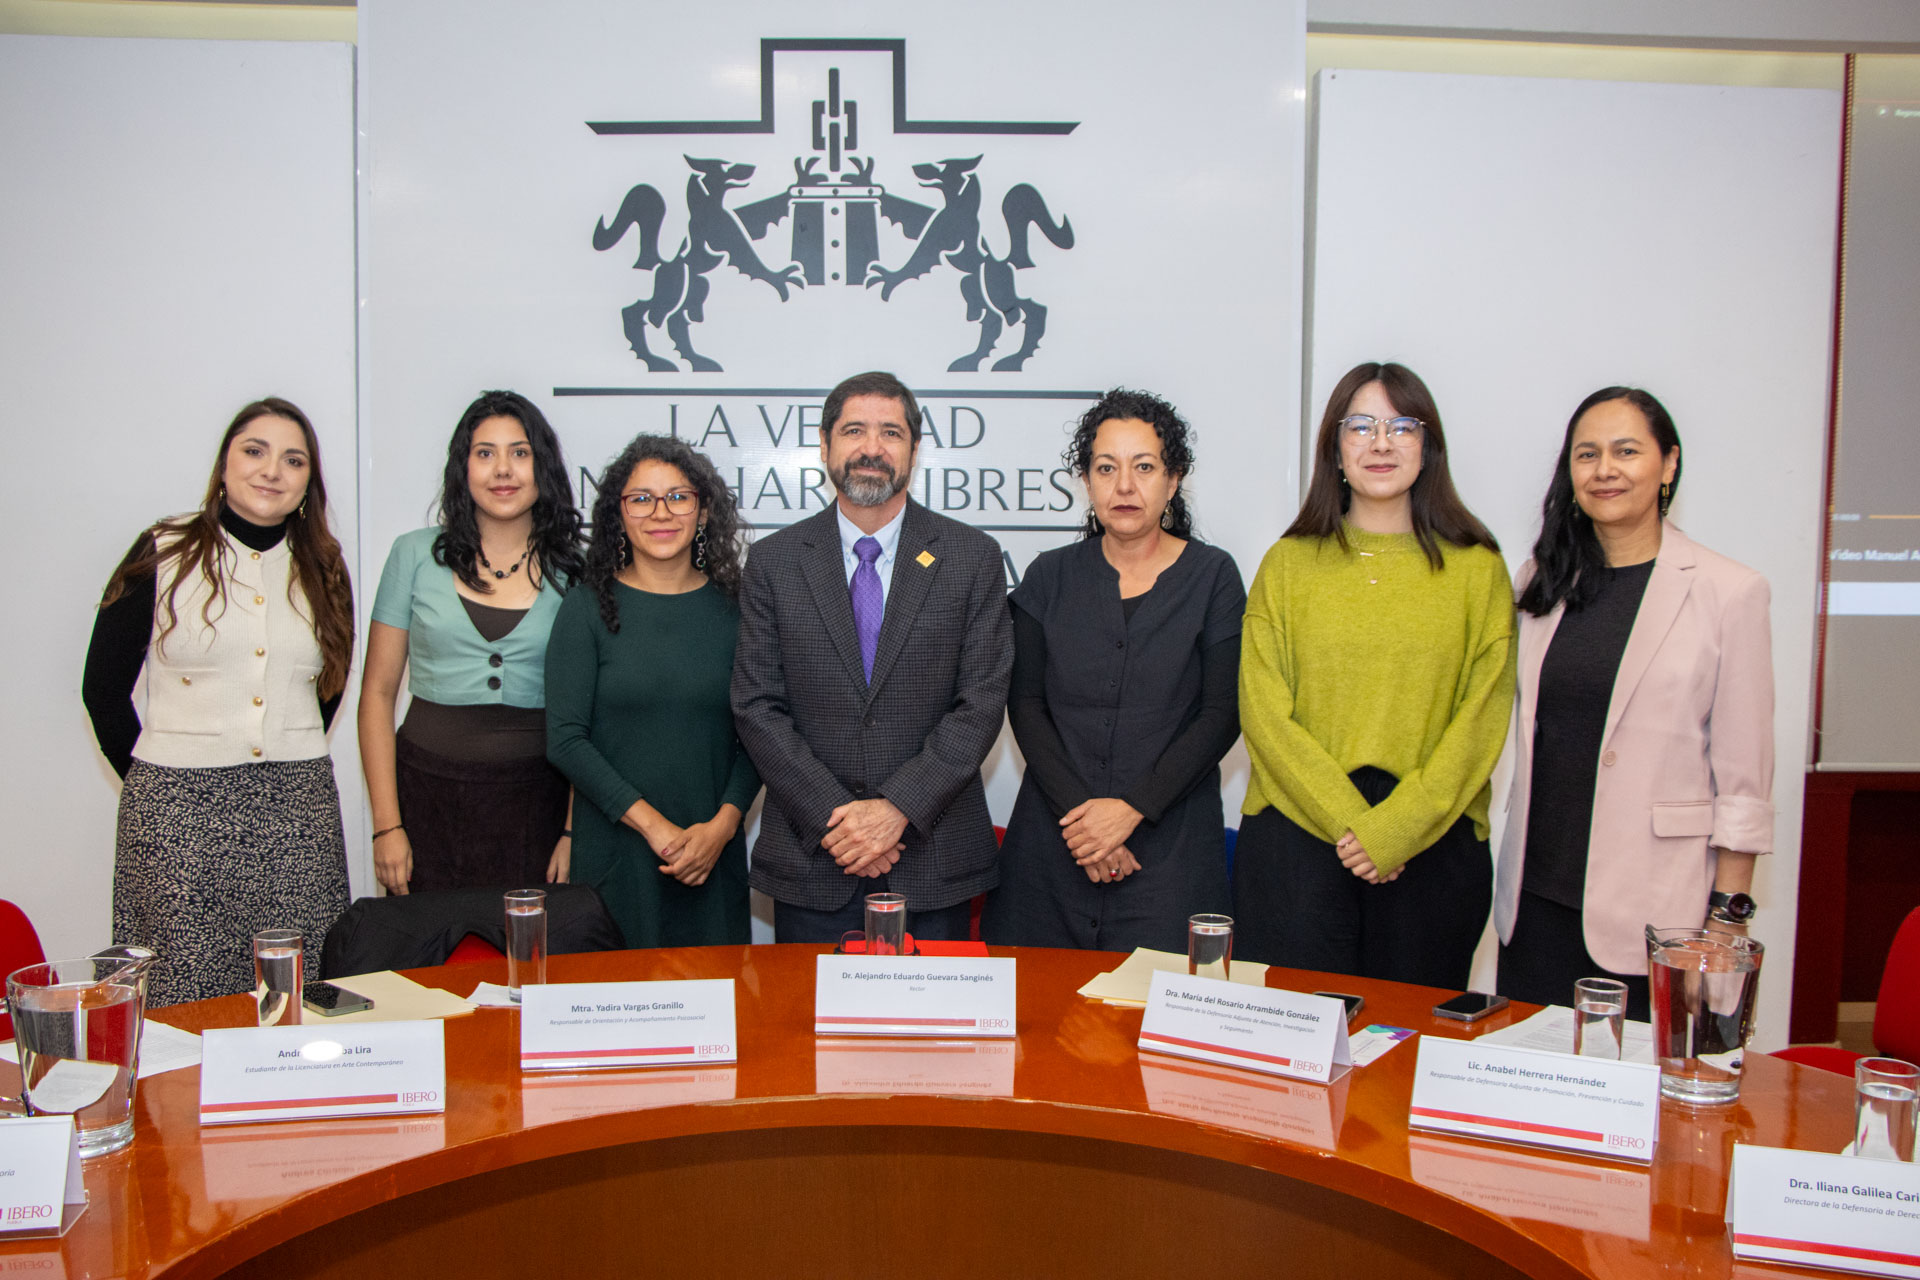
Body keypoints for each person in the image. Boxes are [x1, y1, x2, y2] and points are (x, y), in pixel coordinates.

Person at [1237, 361, 1515, 989]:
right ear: (1335, 448)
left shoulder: (1478, 570)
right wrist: (1356, 827)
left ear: (1428, 445)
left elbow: (1482, 718)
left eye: (1402, 426)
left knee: (1409, 1040)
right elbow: (1264, 714)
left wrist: (1395, 829)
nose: (1381, 443)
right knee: (1296, 1039)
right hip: (1296, 842)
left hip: (1431, 845)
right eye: (1360, 426)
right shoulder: (1287, 564)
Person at [1496, 388, 1772, 1021]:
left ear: (1668, 463)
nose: (1605, 470)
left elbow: (1744, 785)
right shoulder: (1540, 582)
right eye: (1587, 454)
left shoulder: (1729, 592)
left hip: (1659, 914)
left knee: (1649, 1082)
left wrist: (1727, 920)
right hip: (1534, 903)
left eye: (1626, 451)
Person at [81, 397, 356, 1006]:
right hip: (179, 816)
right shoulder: (162, 549)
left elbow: (327, 688)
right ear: (225, 466)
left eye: (294, 460)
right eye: (255, 451)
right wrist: (158, 786)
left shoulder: (325, 566)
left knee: (296, 996)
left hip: (298, 812)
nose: (272, 471)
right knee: (186, 996)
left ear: (308, 483)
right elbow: (102, 690)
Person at [731, 371, 1013, 943]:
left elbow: (981, 702)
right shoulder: (773, 562)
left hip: (932, 858)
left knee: (934, 1008)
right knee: (803, 1007)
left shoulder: (972, 557)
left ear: (914, 448)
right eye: (854, 430)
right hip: (816, 856)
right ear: (825, 445)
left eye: (891, 432)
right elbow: (757, 705)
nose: (872, 448)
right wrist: (839, 820)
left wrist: (896, 810)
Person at [983, 389, 1244, 951]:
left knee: (1159, 1005)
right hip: (1054, 850)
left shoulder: (1214, 577)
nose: (1124, 486)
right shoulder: (1048, 576)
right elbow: (1025, 705)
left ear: (1173, 480)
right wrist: (1087, 825)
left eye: (1144, 467)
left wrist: (1130, 811)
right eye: (1106, 468)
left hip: (1168, 854)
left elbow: (1222, 714)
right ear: (1086, 480)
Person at [359, 391, 585, 895]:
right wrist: (386, 826)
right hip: (426, 798)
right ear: (463, 468)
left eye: (520, 452)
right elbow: (376, 694)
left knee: (531, 944)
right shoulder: (412, 554)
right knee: (427, 944)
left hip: (537, 804)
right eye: (485, 453)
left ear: (543, 467)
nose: (503, 469)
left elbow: (590, 716)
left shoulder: (578, 570)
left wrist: (573, 831)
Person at [544, 435, 761, 947]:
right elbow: (566, 740)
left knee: (718, 996)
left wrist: (723, 827)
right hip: (617, 855)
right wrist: (655, 828)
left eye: (678, 497)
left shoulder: (740, 610)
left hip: (711, 858)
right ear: (618, 515)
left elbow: (761, 731)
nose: (660, 512)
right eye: (641, 498)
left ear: (703, 512)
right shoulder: (585, 608)